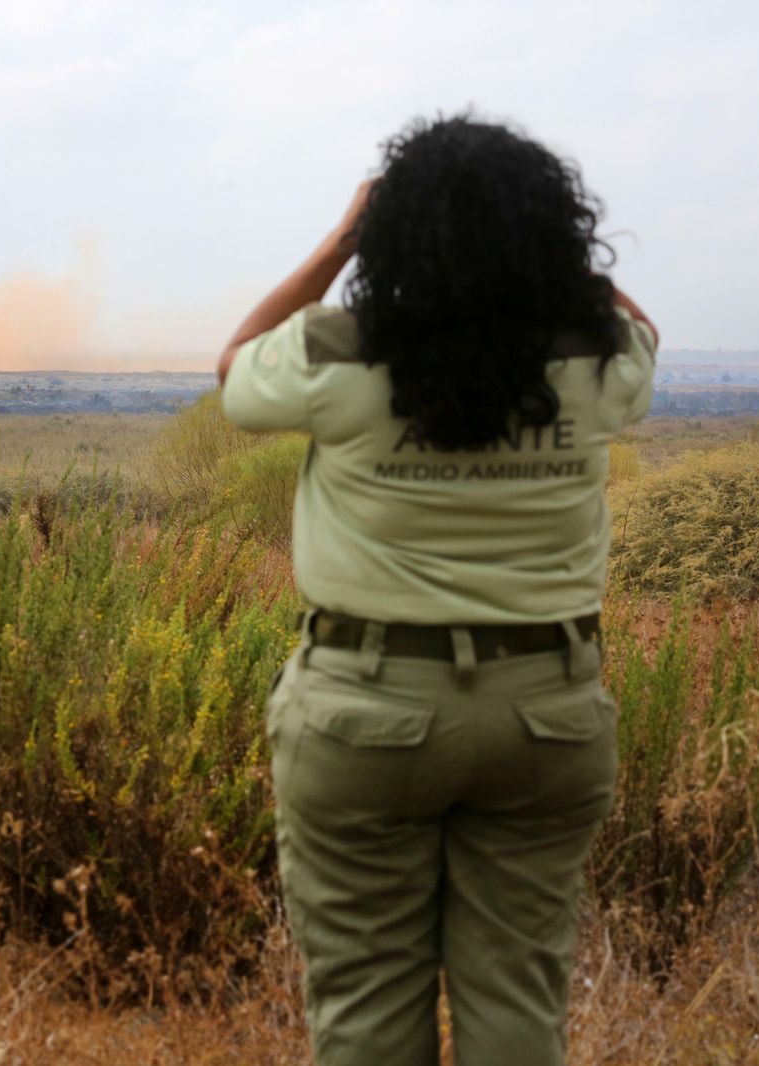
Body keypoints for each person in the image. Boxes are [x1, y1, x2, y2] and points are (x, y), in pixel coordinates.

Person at [216, 114, 658, 1066]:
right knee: (519, 1011)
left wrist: (342, 240)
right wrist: (555, 254)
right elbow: (643, 327)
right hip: (548, 712)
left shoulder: (337, 349)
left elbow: (232, 369)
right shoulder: (597, 356)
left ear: (393, 233)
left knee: (367, 1009)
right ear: (555, 232)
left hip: (366, 709)